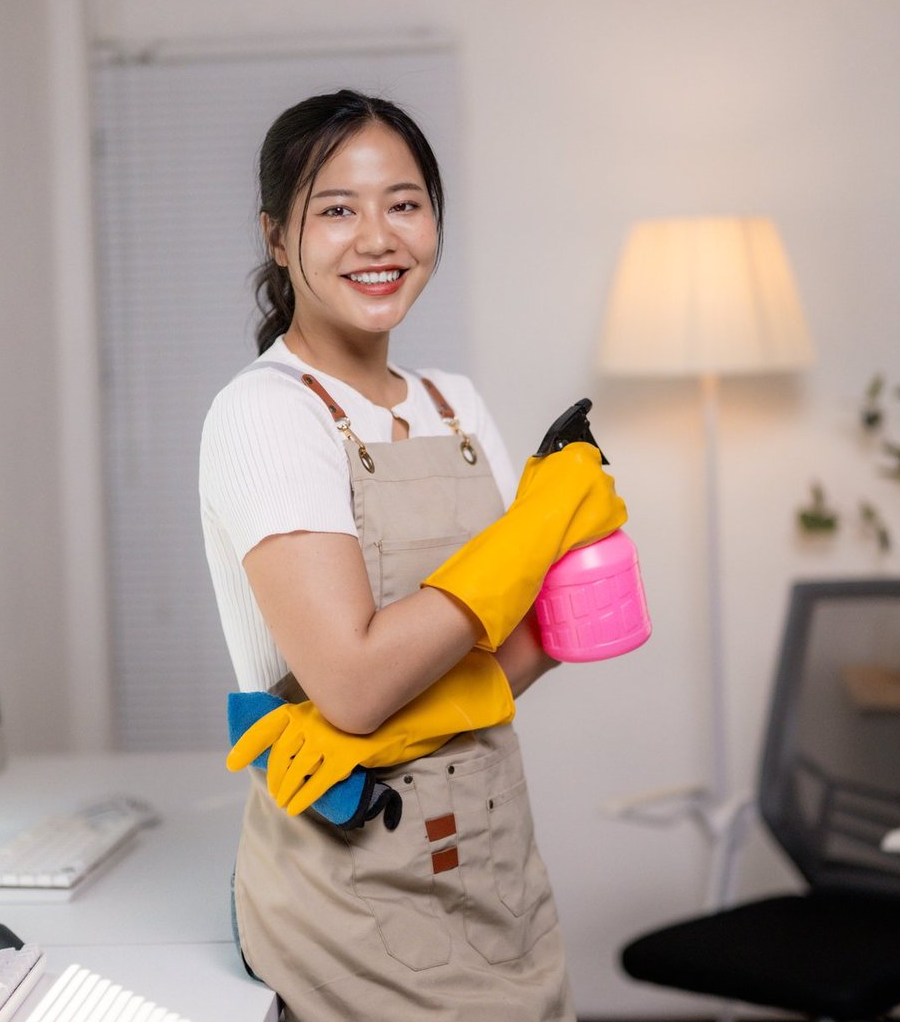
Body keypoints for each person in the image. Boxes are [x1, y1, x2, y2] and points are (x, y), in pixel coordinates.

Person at [199, 89, 626, 1022]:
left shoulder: (453, 404)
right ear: (278, 238)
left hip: (494, 862)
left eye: (404, 203)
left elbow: (527, 644)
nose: (377, 237)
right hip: (351, 891)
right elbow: (350, 685)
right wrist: (531, 533)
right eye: (336, 210)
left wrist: (563, 581)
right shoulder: (268, 413)